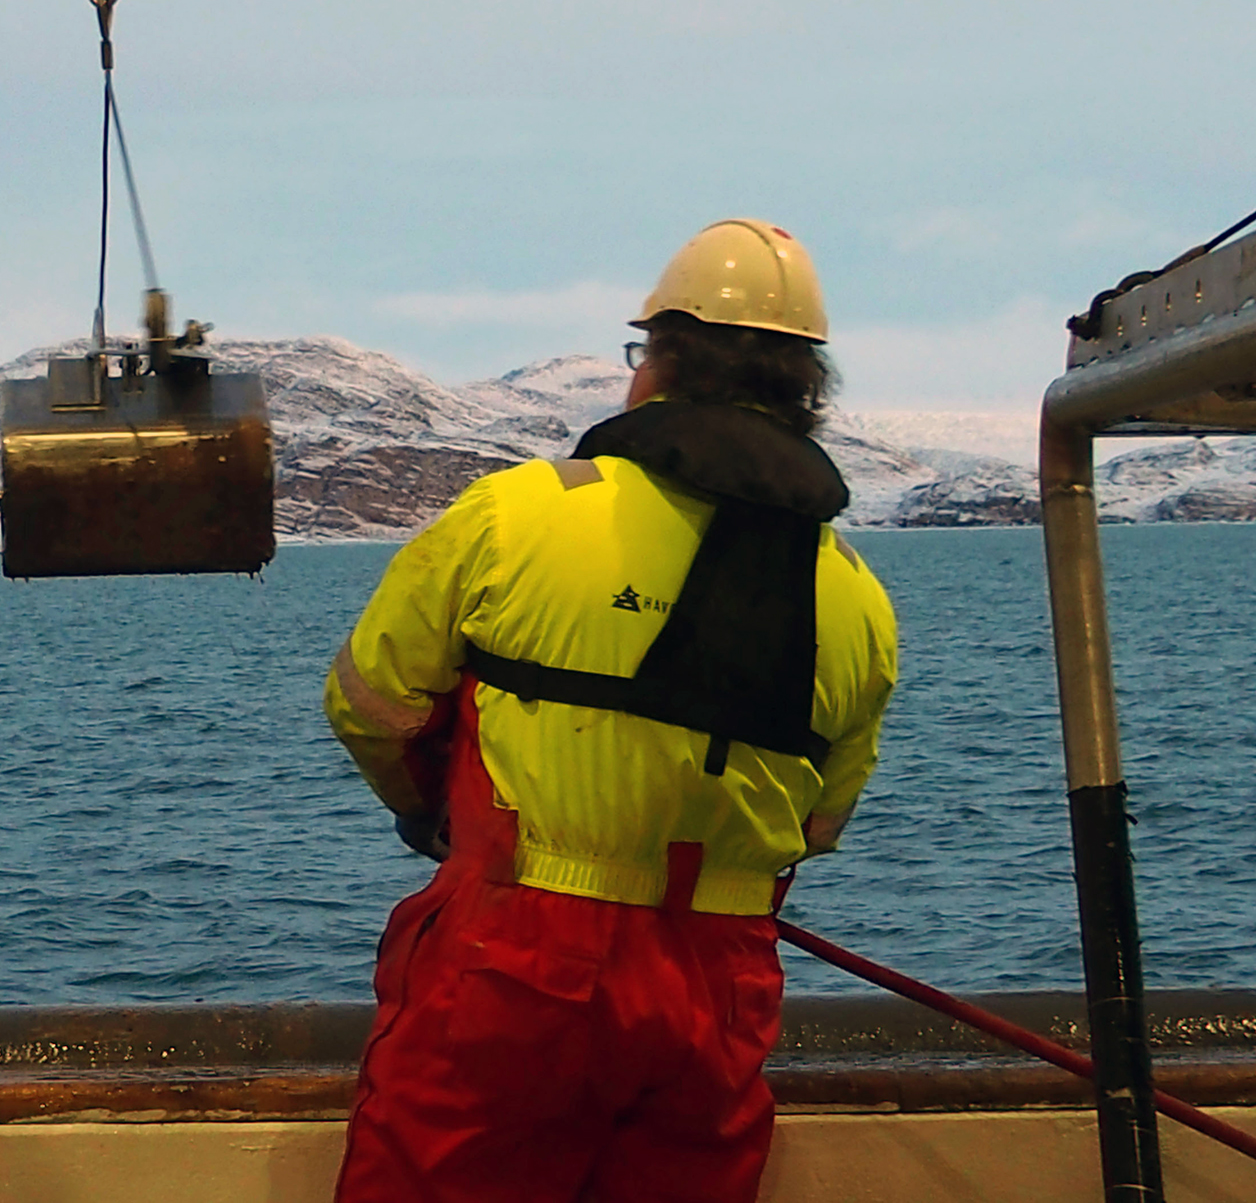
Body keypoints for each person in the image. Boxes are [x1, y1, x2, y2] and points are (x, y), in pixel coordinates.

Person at [324, 219, 899, 1203]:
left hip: (512, 962)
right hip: (715, 994)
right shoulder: (855, 596)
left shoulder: (518, 512)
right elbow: (814, 824)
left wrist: (428, 808)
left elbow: (368, 704)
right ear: (803, 387)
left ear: (659, 362)